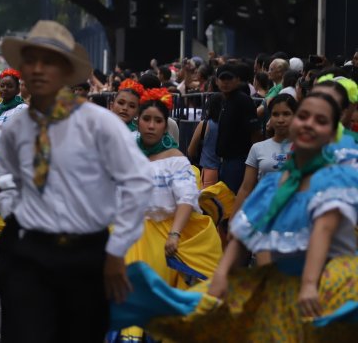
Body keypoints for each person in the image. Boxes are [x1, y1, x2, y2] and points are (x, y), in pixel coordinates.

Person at [111, 92, 358, 339]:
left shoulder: (336, 179)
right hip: (284, 285)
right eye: (303, 116)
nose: (309, 124)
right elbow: (243, 238)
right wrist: (222, 278)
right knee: (191, 312)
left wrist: (309, 284)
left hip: (329, 284)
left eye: (321, 120)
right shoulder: (272, 185)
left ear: (331, 132)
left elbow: (324, 229)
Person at [0, 21, 152, 342]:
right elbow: (5, 174)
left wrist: (116, 251)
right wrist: (15, 217)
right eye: (31, 61)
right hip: (26, 253)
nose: (38, 69)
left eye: (49, 62)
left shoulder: (98, 124)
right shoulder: (16, 127)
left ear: (67, 71)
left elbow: (138, 183)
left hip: (85, 254)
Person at [108, 90, 222, 342]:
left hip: (158, 236)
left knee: (144, 295)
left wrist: (175, 234)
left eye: (158, 121)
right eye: (146, 119)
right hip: (121, 231)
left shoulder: (175, 160)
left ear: (165, 125)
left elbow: (186, 199)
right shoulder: (123, 148)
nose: (151, 125)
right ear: (138, 120)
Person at [234, 93, 296, 212]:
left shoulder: (305, 150)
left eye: (286, 114)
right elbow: (245, 189)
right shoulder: (257, 148)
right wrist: (233, 220)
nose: (280, 120)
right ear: (270, 117)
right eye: (275, 114)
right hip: (262, 213)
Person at [209, 62, 258, 193]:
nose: (226, 82)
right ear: (217, 81)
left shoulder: (243, 100)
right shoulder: (225, 100)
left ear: (237, 80)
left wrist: (256, 160)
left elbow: (255, 132)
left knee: (233, 197)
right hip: (225, 161)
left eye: (229, 78)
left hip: (239, 161)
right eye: (222, 78)